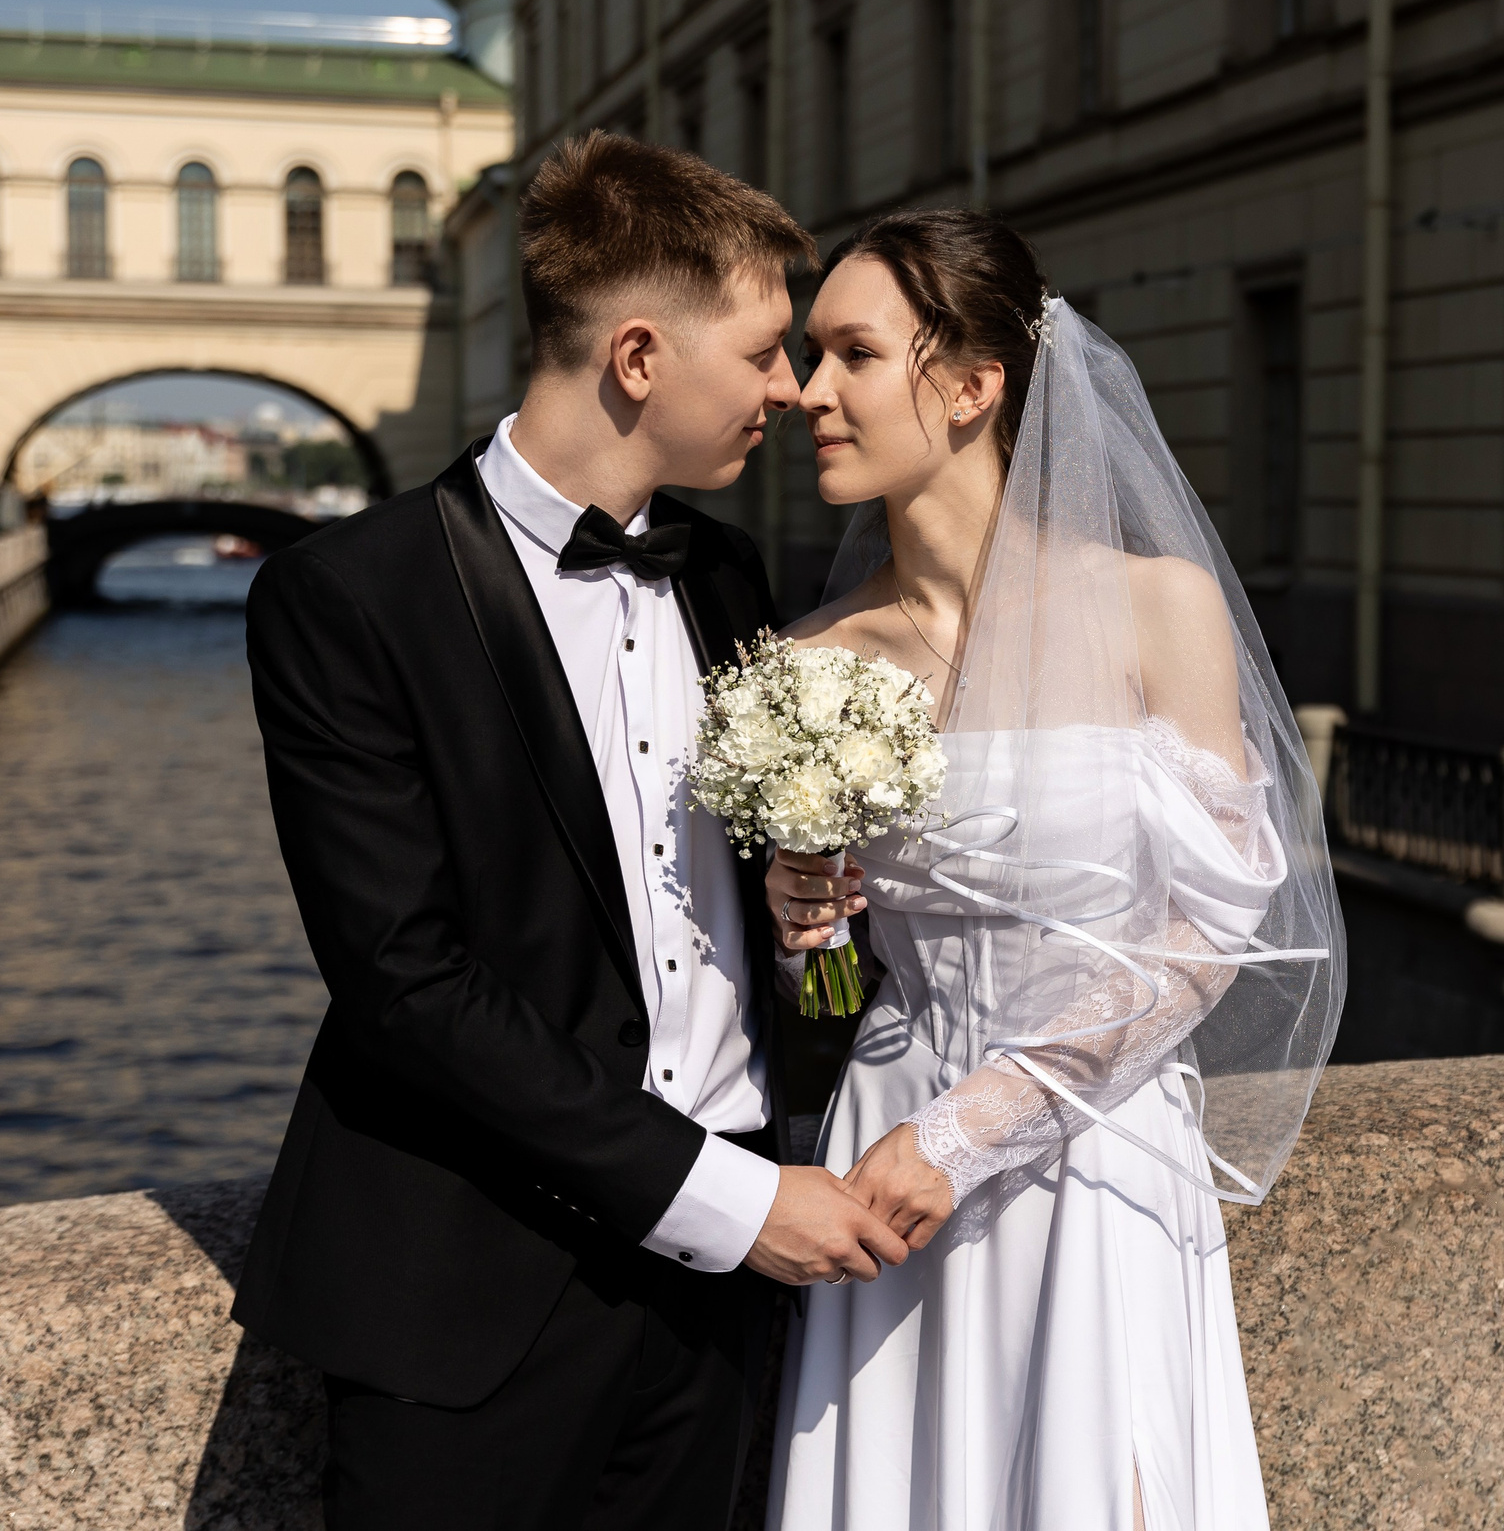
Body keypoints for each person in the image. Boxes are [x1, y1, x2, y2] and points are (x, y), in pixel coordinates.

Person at [233, 132, 910, 1531]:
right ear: (641, 358)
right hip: (475, 1297)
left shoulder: (724, 571)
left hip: (722, 1302)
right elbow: (404, 983)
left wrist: (821, 951)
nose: (791, 392)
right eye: (769, 350)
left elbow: (782, 933)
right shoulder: (346, 597)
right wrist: (729, 1199)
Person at [764, 212, 1348, 1531]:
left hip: (1095, 1139)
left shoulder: (1160, 606)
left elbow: (1212, 927)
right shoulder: (809, 662)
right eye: (811, 355)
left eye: (853, 354)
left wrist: (975, 1124)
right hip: (886, 1160)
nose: (808, 392)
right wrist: (806, 928)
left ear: (971, 388)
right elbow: (825, 993)